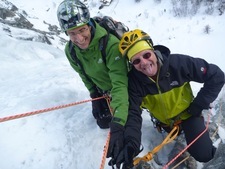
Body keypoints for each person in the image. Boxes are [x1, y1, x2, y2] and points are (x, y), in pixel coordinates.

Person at [109, 29, 225, 168]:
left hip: (189, 115)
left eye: (146, 55)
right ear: (131, 64)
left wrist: (199, 104)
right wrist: (131, 144)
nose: (144, 63)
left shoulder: (178, 64)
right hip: (165, 124)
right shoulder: (134, 82)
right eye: (136, 61)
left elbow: (216, 75)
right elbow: (133, 114)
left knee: (204, 155)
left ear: (153, 51)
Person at [57, 0, 129, 162]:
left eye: (82, 30)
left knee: (126, 126)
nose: (79, 38)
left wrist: (119, 122)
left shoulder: (110, 44)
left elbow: (120, 83)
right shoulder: (71, 51)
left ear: (89, 25)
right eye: (72, 33)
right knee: (103, 123)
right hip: (104, 91)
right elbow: (84, 75)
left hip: (124, 88)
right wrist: (93, 95)